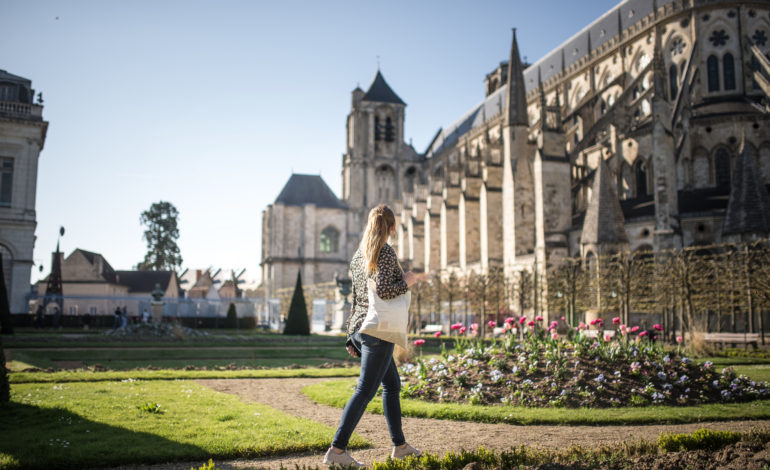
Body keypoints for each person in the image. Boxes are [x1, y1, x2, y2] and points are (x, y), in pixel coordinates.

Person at [323, 204, 430, 467]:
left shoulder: (359, 256)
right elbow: (384, 290)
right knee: (364, 391)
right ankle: (337, 450)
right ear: (392, 227)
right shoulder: (385, 251)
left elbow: (357, 299)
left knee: (392, 386)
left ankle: (400, 446)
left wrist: (351, 335)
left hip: (363, 330)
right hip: (378, 332)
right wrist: (408, 281)